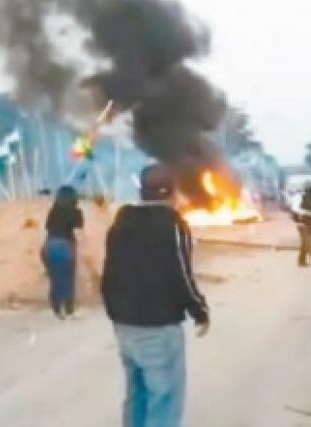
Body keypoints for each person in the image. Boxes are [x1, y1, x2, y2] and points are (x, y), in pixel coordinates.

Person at [102, 164, 210, 427]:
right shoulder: (172, 225)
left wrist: (115, 312)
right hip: (159, 326)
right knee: (164, 401)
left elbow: (109, 273)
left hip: (125, 325)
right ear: (172, 192)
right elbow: (181, 274)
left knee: (137, 395)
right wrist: (199, 310)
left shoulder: (120, 223)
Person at [42, 185, 83, 319]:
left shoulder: (54, 210)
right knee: (68, 279)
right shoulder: (75, 211)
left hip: (49, 245)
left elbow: (47, 226)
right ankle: (69, 309)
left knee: (55, 278)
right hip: (65, 245)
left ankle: (56, 308)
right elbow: (79, 227)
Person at [292, 182, 311, 267]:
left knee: (305, 241)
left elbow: (294, 209)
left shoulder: (299, 196)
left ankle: (301, 260)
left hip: (301, 220)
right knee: (307, 240)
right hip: (307, 220)